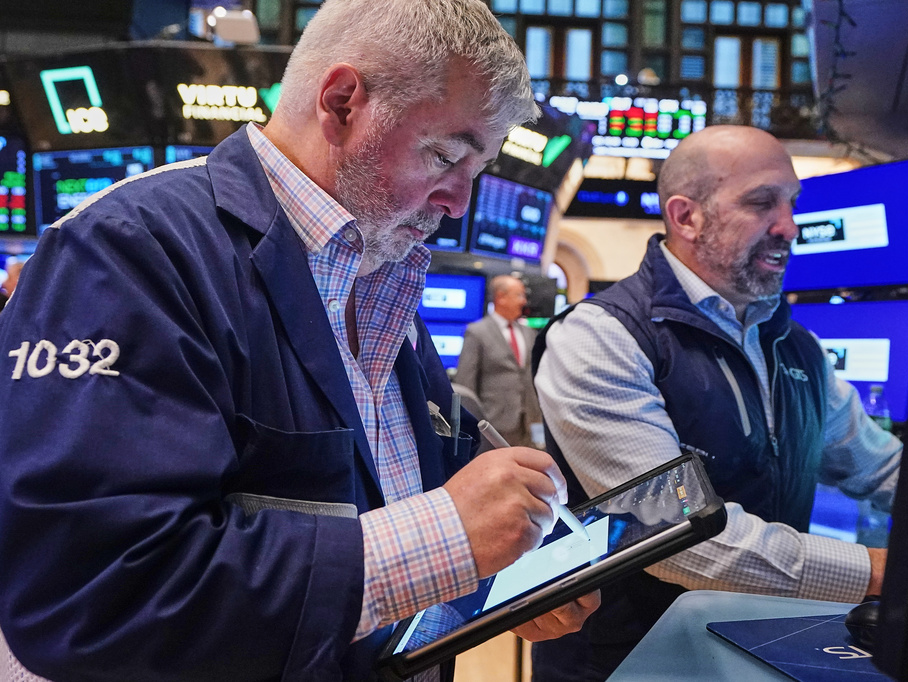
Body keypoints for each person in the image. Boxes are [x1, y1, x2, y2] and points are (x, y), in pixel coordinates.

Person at [0, 1, 598, 680]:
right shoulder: (128, 252)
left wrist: (497, 576)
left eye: (477, 169)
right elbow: (94, 596)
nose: (460, 201)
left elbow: (380, 515)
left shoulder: (380, 274)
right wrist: (448, 539)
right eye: (445, 155)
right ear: (342, 102)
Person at [531, 125, 901, 681]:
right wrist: (885, 572)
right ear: (686, 217)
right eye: (761, 203)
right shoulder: (602, 337)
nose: (788, 227)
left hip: (761, 652)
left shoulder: (792, 344)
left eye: (791, 204)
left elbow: (880, 465)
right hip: (629, 663)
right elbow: (681, 539)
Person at [456, 274, 544, 449]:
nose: (523, 301)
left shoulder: (529, 333)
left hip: (528, 426)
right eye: (519, 295)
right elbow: (465, 385)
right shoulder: (477, 332)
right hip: (494, 425)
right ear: (501, 297)